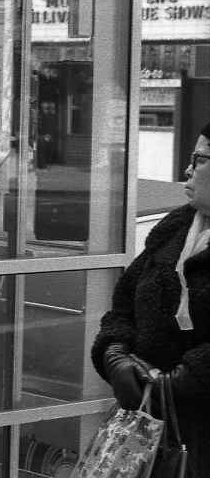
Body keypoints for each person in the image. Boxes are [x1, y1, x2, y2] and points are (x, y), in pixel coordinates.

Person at [91, 121, 210, 477]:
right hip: (148, 427)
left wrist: (178, 381)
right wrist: (114, 356)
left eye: (200, 158)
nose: (188, 169)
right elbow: (124, 303)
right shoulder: (175, 228)